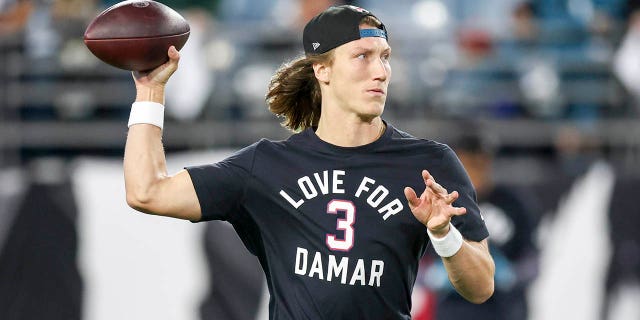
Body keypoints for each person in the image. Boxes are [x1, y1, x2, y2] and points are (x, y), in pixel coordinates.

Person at [123, 5, 495, 319]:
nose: (380, 71)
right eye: (362, 56)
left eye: (384, 58)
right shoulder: (267, 166)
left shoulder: (429, 164)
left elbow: (481, 287)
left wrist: (444, 235)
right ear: (323, 70)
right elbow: (147, 191)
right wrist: (151, 91)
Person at [414, 131, 538, 320]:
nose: (475, 171)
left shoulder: (514, 203)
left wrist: (512, 275)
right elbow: (415, 261)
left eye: (481, 162)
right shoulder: (440, 203)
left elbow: (533, 261)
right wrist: (433, 275)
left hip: (503, 310)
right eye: (468, 164)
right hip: (452, 310)